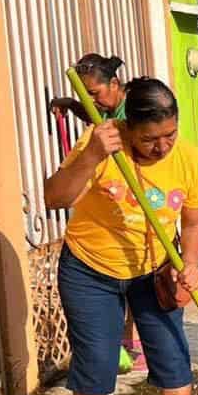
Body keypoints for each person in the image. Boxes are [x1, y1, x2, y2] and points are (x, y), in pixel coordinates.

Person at [43, 78, 198, 395]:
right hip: (90, 270)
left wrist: (190, 264)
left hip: (153, 272)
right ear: (128, 127)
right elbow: (55, 197)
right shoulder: (101, 143)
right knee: (98, 359)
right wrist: (94, 156)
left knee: (173, 356)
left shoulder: (188, 158)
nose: (161, 146)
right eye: (150, 138)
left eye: (169, 134)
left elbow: (194, 220)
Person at [50, 55, 147, 369]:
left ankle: (136, 343)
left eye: (94, 93)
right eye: (84, 95)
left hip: (145, 207)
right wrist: (68, 102)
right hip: (113, 212)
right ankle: (125, 343)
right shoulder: (105, 111)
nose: (90, 101)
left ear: (115, 85)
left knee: (140, 272)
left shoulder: (133, 109)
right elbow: (93, 115)